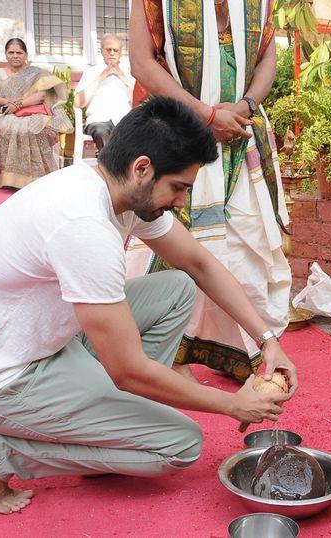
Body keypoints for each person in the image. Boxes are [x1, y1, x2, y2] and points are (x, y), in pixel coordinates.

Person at [0, 96, 297, 515]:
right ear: (142, 168)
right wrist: (232, 405)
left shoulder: (107, 186)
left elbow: (198, 263)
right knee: (180, 444)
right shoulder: (84, 226)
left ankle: (112, 431)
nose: (179, 201)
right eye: (178, 187)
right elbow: (128, 370)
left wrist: (268, 340)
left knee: (176, 288)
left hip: (41, 341)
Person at [127, 0, 291, 384]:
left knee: (243, 245)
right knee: (174, 243)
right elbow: (141, 62)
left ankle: (246, 351)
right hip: (175, 130)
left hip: (241, 131)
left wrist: (245, 105)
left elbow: (268, 55)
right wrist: (205, 115)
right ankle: (158, 351)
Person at [0, 38, 72, 189]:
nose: (15, 56)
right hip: (6, 113)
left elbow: (40, 96)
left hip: (31, 113)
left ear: (26, 55)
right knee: (9, 127)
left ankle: (36, 179)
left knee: (32, 129)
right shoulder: (0, 73)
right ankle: (10, 180)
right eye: (11, 52)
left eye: (19, 52)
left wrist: (18, 105)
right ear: (5, 55)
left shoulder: (35, 74)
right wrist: (7, 102)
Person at [74, 34, 135, 153]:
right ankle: (110, 167)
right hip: (98, 120)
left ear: (121, 52)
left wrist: (122, 77)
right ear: (102, 51)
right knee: (102, 132)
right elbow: (78, 103)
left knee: (135, 133)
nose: (112, 53)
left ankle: (121, 167)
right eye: (108, 50)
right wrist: (101, 77)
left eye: (115, 50)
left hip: (124, 121)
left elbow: (138, 102)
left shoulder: (129, 73)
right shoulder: (91, 72)